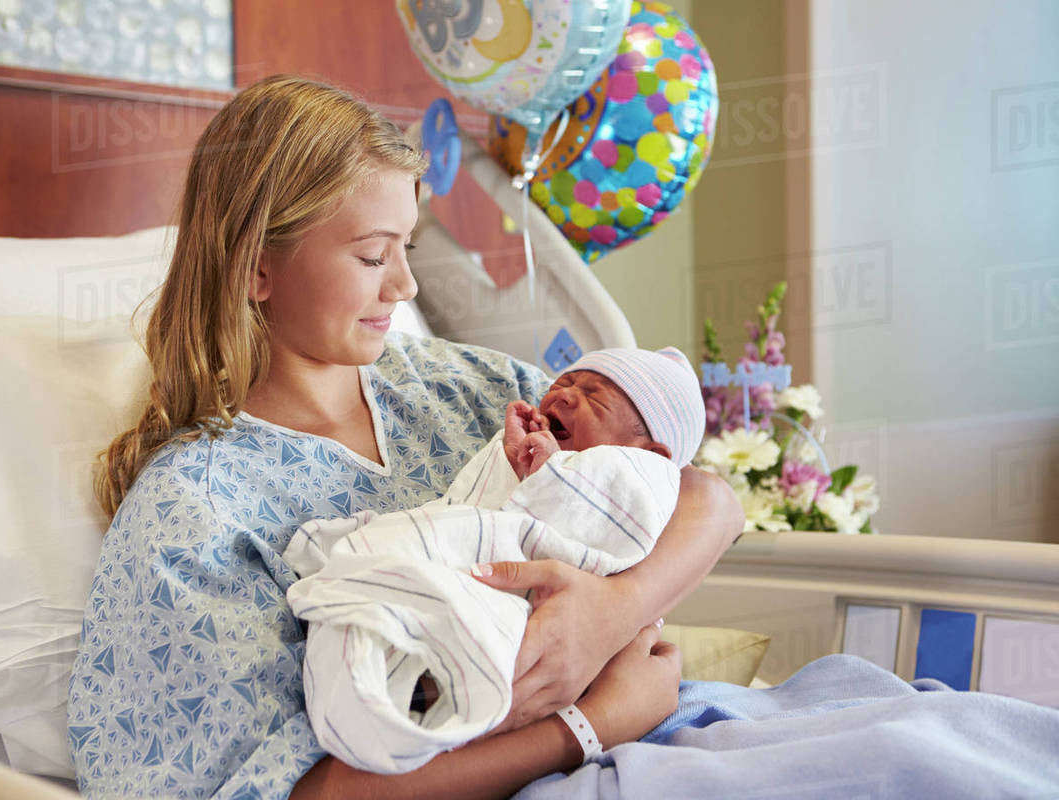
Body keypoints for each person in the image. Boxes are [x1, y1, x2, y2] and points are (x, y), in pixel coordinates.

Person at [68, 74, 743, 800]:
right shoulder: (195, 513)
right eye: (370, 256)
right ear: (257, 266)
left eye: (406, 249)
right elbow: (296, 792)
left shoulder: (464, 388)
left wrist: (616, 610)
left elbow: (705, 497)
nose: (405, 288)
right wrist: (586, 725)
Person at [283, 347, 708, 774]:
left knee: (471, 628)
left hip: (538, 606)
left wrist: (550, 470)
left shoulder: (641, 479)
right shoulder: (509, 406)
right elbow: (477, 507)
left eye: (593, 397)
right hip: (499, 582)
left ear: (650, 453)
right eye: (563, 383)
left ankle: (427, 691)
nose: (563, 396)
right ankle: (405, 679)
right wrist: (513, 462)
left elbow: (591, 515)